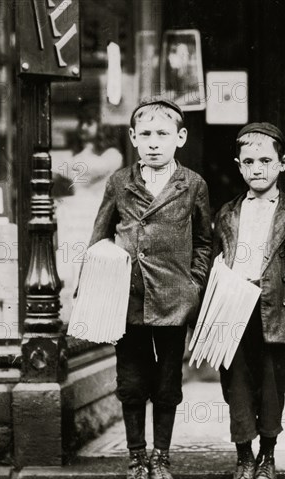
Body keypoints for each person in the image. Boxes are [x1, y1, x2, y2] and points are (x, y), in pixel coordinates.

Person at [87, 98, 212, 479]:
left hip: (173, 299)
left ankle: (161, 455)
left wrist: (194, 285)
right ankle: (137, 456)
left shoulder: (193, 185)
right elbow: (100, 237)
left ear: (181, 137)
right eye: (146, 134)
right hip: (128, 299)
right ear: (133, 138)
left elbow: (205, 242)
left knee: (167, 382)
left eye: (163, 134)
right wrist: (97, 287)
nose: (154, 142)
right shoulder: (120, 182)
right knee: (131, 381)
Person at [213, 123, 285, 479]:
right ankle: (244, 455)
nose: (258, 168)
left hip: (275, 310)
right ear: (239, 166)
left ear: (283, 163)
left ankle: (268, 455)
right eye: (249, 161)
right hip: (233, 308)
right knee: (236, 382)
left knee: (274, 383)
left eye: (266, 161)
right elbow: (214, 265)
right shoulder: (226, 213)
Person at [53, 102, 123, 320]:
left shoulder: (112, 154)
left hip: (95, 215)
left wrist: (64, 166)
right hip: (75, 216)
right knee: (72, 263)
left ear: (100, 126)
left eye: (89, 123)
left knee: (93, 263)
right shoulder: (79, 154)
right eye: (81, 123)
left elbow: (95, 170)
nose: (83, 128)